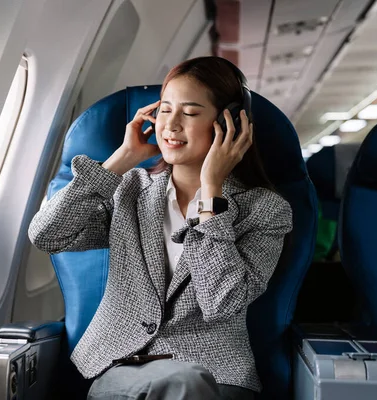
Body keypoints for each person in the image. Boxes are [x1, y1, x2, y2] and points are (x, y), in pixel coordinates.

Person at [28, 57, 293, 400]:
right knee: (180, 383)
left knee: (187, 384)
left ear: (228, 124)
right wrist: (123, 158)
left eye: (190, 112)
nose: (171, 124)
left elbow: (220, 302)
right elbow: (47, 234)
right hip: (124, 369)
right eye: (165, 110)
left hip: (217, 376)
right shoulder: (130, 190)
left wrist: (210, 194)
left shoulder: (266, 210)